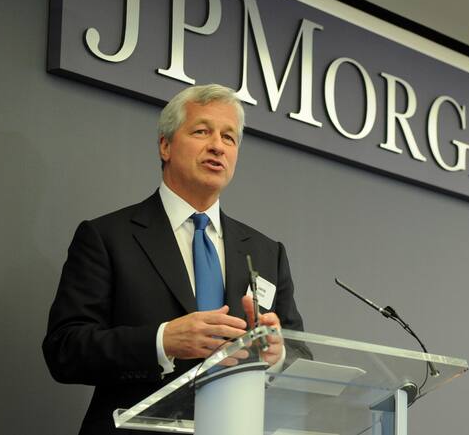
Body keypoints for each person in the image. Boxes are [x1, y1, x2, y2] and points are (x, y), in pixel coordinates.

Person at [42, 84, 306, 435]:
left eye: (229, 138)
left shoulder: (265, 250)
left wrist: (278, 355)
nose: (217, 146)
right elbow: (66, 350)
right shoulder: (107, 237)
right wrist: (162, 341)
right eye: (202, 131)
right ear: (165, 145)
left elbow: (300, 352)